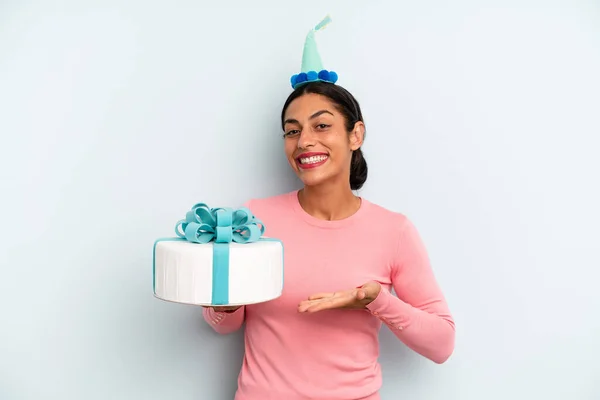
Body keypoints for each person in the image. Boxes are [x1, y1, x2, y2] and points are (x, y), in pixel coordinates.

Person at [202, 16, 455, 400]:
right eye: (292, 130)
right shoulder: (254, 219)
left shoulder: (394, 231)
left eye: (321, 126)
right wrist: (226, 302)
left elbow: (442, 344)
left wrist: (376, 301)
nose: (304, 141)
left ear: (356, 134)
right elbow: (222, 324)